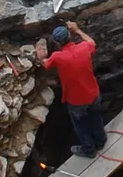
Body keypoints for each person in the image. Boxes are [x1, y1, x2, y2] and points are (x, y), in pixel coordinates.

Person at [37, 21, 105, 157]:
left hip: (76, 100)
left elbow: (44, 63)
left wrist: (40, 53)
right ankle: (100, 140)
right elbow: (92, 41)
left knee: (81, 126)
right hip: (92, 93)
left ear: (57, 43)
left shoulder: (57, 57)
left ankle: (89, 149)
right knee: (95, 117)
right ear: (70, 35)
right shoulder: (84, 47)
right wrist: (78, 30)